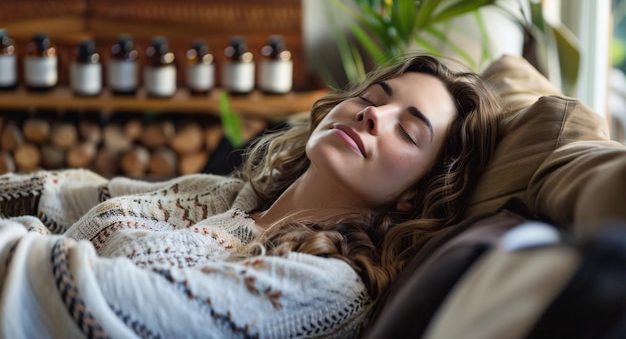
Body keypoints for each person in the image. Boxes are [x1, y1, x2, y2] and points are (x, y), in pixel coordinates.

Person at [0, 54, 502, 339]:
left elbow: (112, 307)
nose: (373, 116)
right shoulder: (224, 197)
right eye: (373, 99)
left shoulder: (325, 286)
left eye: (408, 133)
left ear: (414, 197)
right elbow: (61, 196)